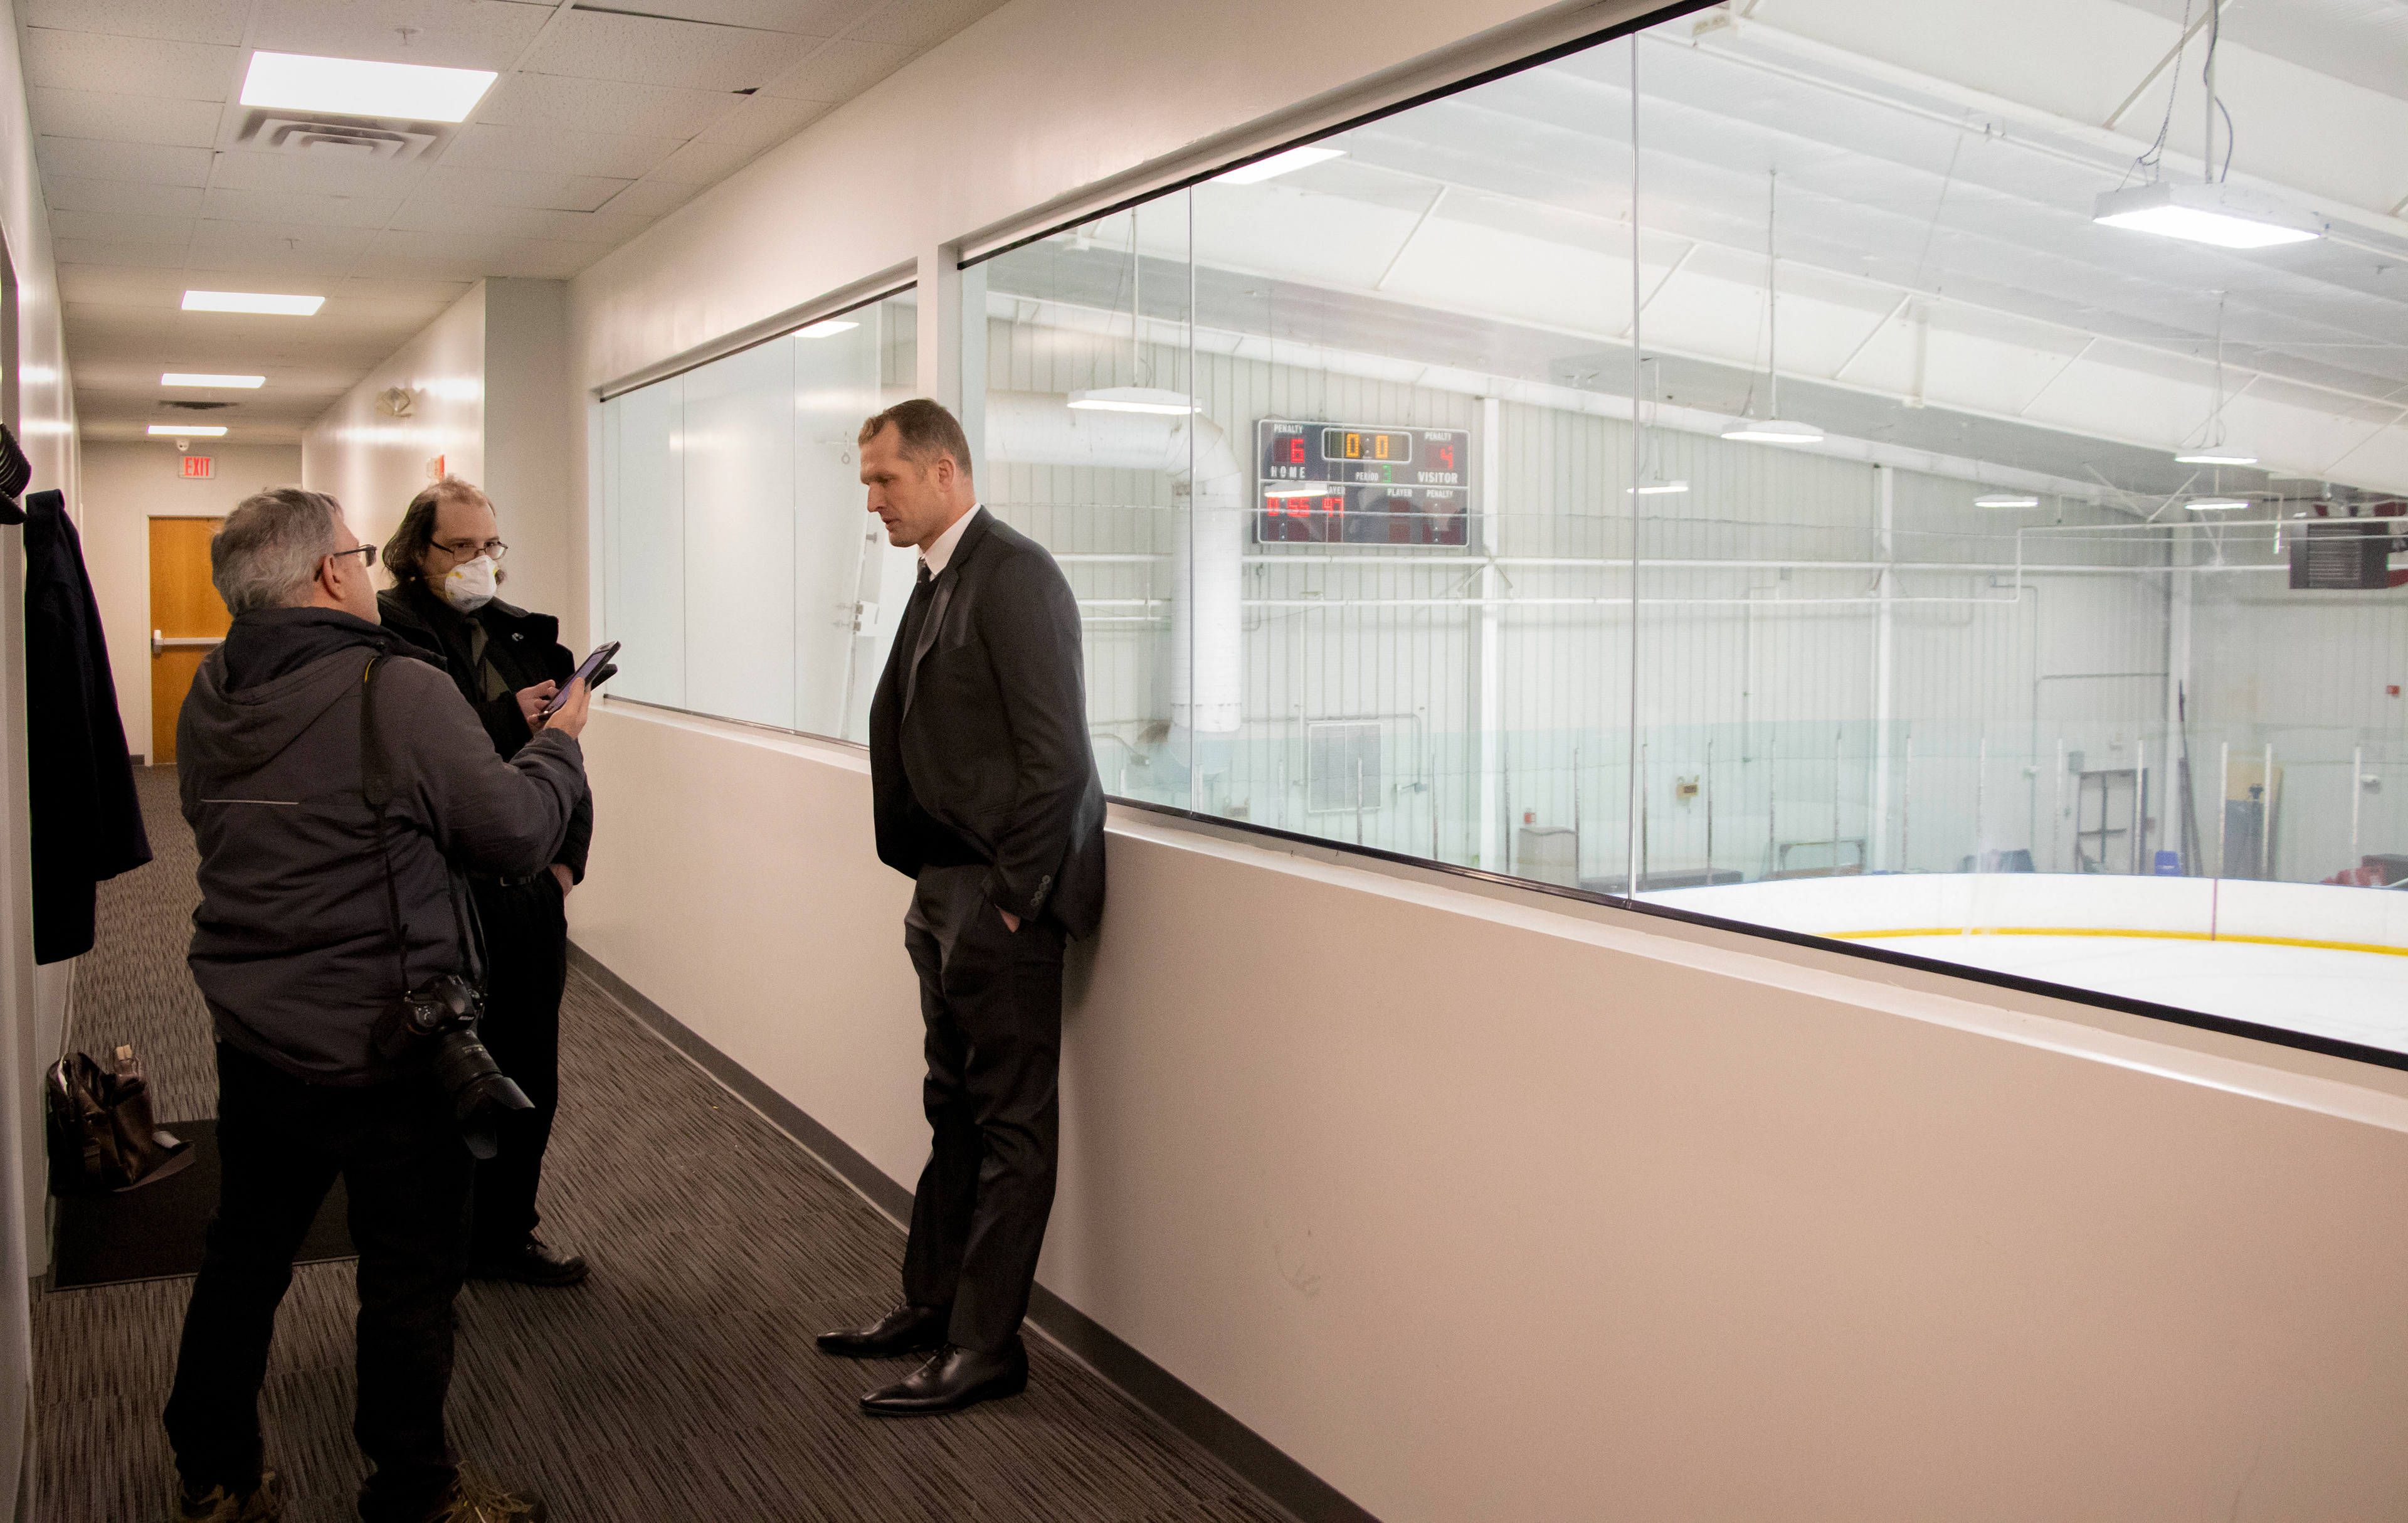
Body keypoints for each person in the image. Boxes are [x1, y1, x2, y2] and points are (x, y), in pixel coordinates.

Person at [166, 487, 588, 1523]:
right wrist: (560, 745)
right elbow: (515, 835)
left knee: (244, 1253)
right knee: (411, 1274)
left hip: (256, 1036)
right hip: (392, 1043)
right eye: (355, 555)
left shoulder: (210, 688)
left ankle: (216, 1473)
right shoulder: (393, 687)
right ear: (328, 574)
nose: (364, 570)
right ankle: (415, 1490)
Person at [816, 399, 1107, 1416]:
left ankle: (986, 1346)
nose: (873, 501)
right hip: (945, 891)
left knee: (1011, 1125)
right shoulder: (939, 576)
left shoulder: (1016, 576)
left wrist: (1012, 908)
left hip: (1001, 897)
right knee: (953, 1108)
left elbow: (1058, 759)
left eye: (885, 479)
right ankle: (934, 1306)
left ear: (944, 471)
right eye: (866, 481)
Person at [376, 477, 593, 1288]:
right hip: (443, 901)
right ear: (415, 553)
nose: (479, 563)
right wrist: (510, 721)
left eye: (489, 546)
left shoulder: (521, 638)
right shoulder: (388, 641)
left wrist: (566, 864)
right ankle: (436, 1248)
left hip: (527, 896)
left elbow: (566, 763)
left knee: (530, 1072)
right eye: (459, 547)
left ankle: (507, 1233)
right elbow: (431, 762)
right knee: (443, 1082)